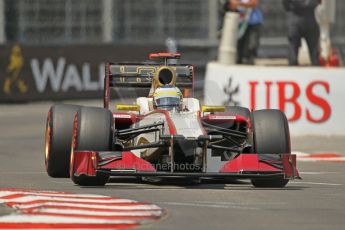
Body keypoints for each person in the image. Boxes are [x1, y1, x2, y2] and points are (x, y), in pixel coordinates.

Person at [224, 0, 263, 64]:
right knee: (240, 43)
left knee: (252, 43)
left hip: (253, 22)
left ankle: (249, 59)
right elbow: (231, 5)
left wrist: (239, 4)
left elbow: (253, 3)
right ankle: (240, 58)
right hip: (240, 22)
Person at [283, 0, 321, 66]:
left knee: (313, 51)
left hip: (298, 16)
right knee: (312, 51)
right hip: (305, 16)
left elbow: (286, 4)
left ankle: (293, 68)